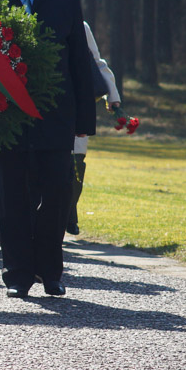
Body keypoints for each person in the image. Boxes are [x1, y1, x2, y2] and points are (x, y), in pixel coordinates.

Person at [0, 0, 95, 298]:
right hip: (4, 121)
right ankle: (17, 275)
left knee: (57, 197)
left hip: (55, 119)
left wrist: (84, 123)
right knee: (11, 199)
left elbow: (80, 62)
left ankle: (50, 272)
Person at [69, 21, 120, 235]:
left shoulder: (81, 27)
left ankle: (69, 213)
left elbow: (97, 63)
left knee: (76, 163)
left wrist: (113, 96)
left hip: (78, 105)